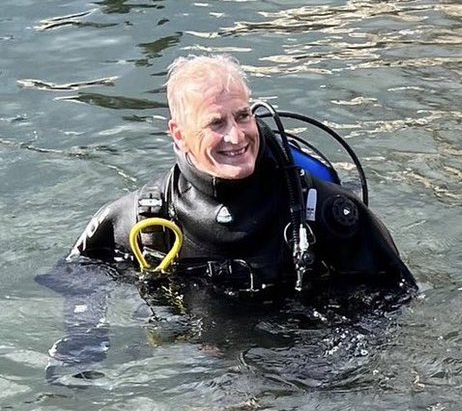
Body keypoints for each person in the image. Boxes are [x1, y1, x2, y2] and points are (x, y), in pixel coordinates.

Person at [68, 54, 416, 295]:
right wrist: (84, 338)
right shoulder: (145, 218)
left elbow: (396, 296)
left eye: (243, 116)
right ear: (178, 133)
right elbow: (77, 275)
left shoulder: (324, 210)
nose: (236, 136)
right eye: (216, 123)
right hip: (197, 369)